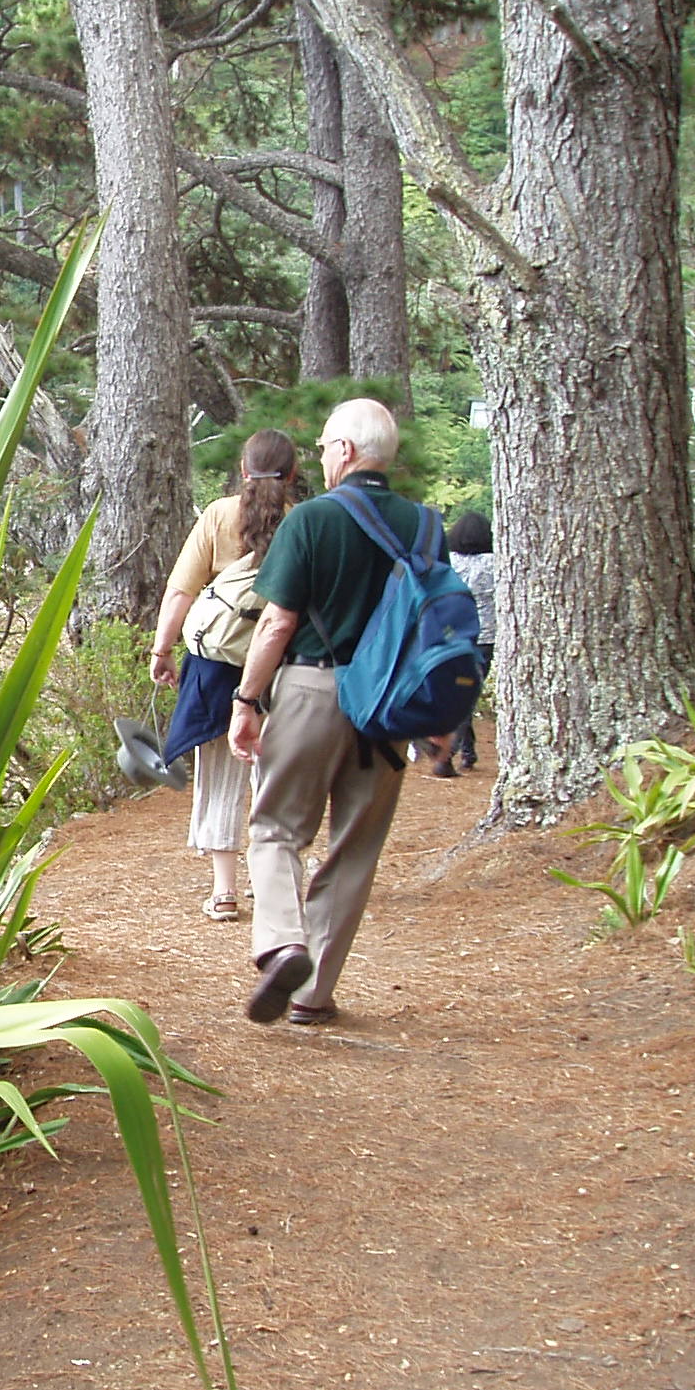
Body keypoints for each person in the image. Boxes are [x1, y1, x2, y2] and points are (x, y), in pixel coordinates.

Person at [227, 398, 421, 1027]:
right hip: (387, 706)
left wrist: (246, 701)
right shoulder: (423, 526)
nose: (320, 457)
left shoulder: (311, 519)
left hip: (313, 689)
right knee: (355, 848)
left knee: (276, 829)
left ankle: (284, 942)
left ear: (345, 450)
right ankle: (312, 997)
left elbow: (276, 623)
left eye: (324, 446)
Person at [149, 431, 301, 922]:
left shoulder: (218, 515)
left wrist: (162, 649)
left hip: (217, 666)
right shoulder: (302, 522)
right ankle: (271, 877)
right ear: (293, 473)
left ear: (243, 470)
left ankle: (224, 892)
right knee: (272, 774)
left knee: (219, 775)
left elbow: (181, 591)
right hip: (281, 663)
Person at [444, 510, 495, 771]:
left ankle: (459, 751)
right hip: (486, 637)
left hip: (453, 635)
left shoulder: (449, 563)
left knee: (461, 690)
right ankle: (456, 751)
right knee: (469, 692)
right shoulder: (497, 564)